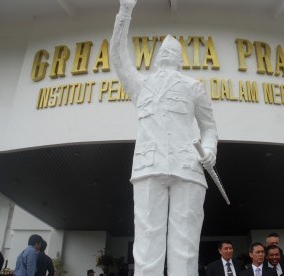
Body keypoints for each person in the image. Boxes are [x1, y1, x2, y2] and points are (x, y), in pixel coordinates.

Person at [110, 1, 218, 276]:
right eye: (164, 50)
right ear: (157, 57)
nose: (167, 52)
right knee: (146, 246)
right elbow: (119, 57)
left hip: (188, 168)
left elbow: (209, 128)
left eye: (173, 50)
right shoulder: (140, 85)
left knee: (185, 246)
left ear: (180, 59)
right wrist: (125, 12)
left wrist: (209, 151)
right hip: (148, 167)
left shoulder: (194, 87)